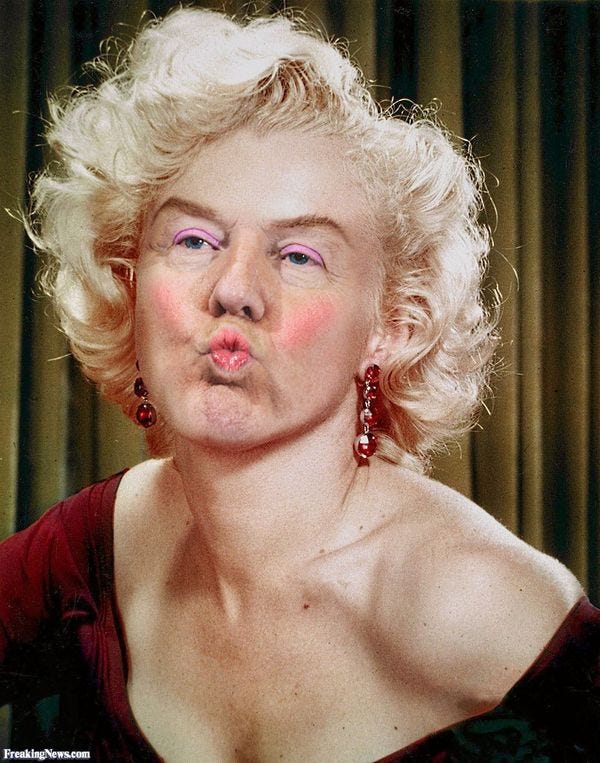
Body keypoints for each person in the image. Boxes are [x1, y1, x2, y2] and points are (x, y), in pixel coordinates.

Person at [1, 7, 598, 762]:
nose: (234, 289)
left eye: (298, 256)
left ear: (393, 325)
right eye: (194, 240)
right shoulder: (97, 543)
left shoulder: (478, 605)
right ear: (128, 278)